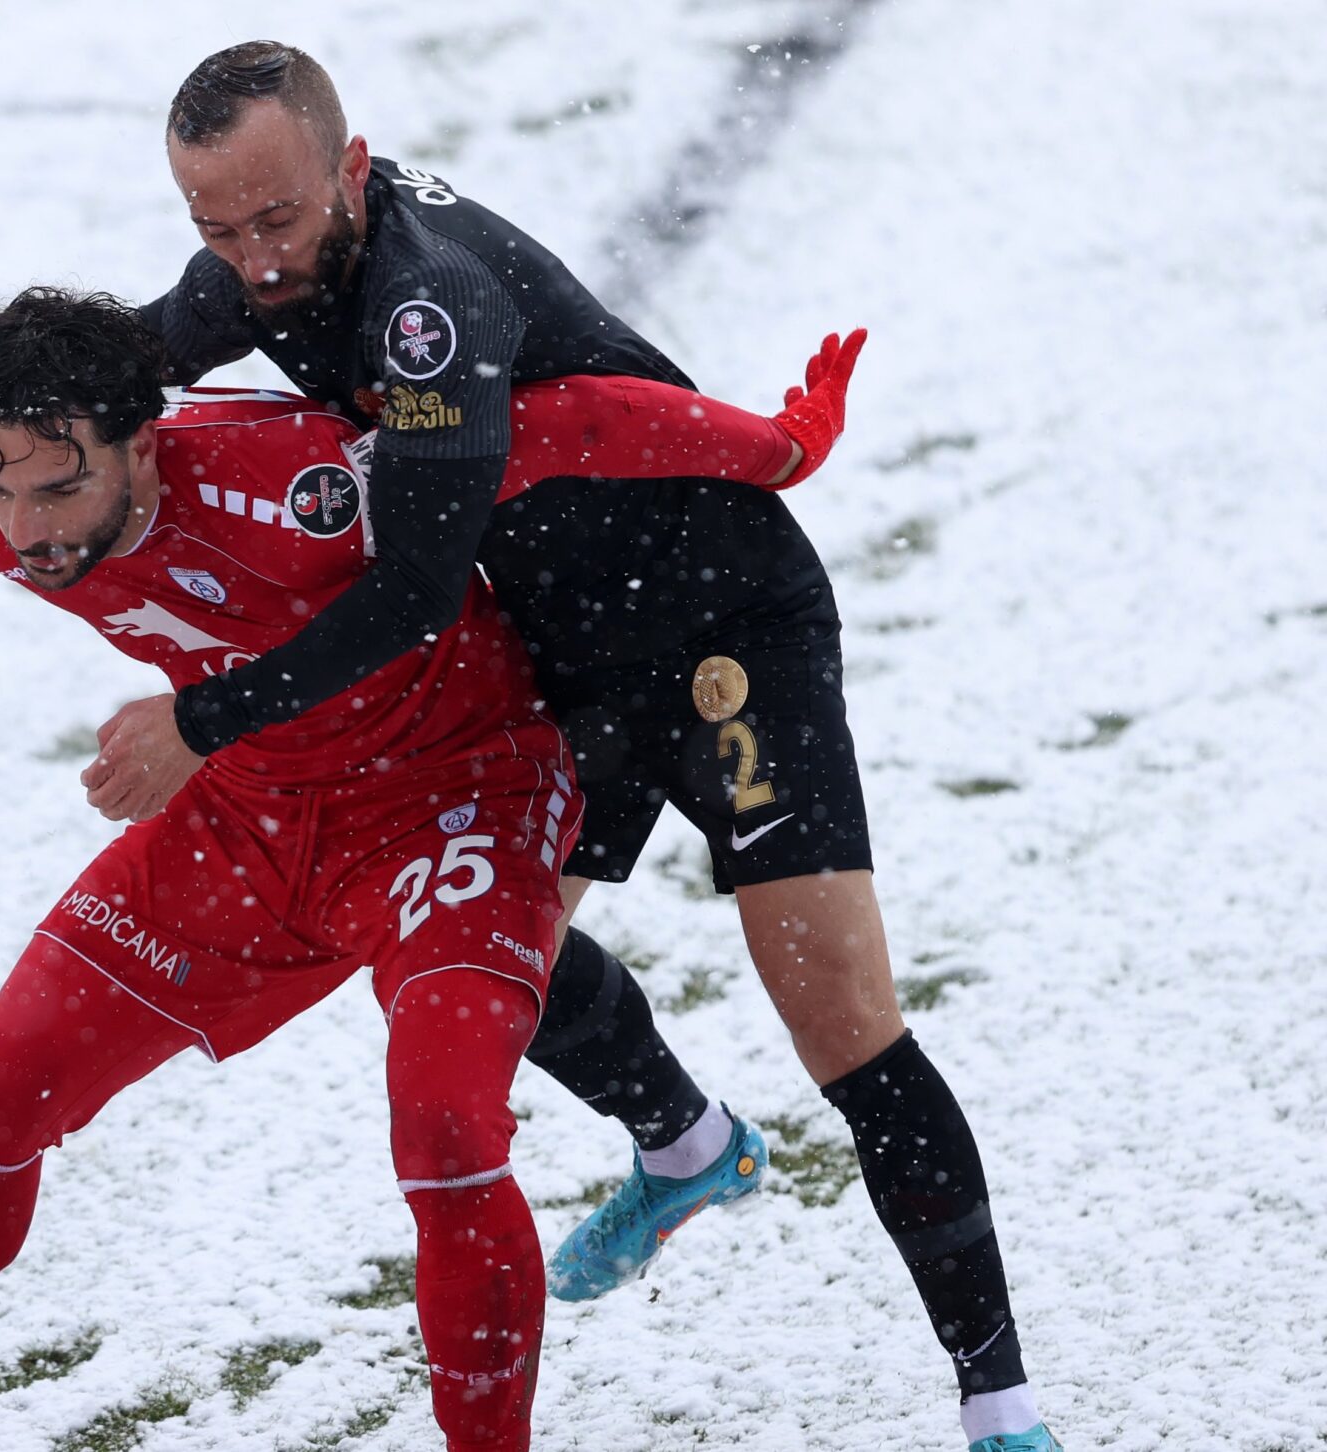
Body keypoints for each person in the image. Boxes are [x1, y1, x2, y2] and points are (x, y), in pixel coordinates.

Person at [94, 41, 1051, 1452]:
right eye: (215, 229)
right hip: (569, 658)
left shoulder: (427, 306)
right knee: (484, 967)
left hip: (722, 635)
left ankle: (1001, 1405)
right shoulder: (254, 261)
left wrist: (204, 721)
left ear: (348, 170)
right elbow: (113, 371)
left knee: (839, 1021)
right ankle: (689, 1147)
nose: (251, 258)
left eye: (275, 219)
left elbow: (413, 595)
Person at [0, 286, 856, 1452]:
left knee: (446, 1134)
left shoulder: (302, 483)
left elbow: (557, 423)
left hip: (455, 805)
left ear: (141, 444)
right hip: (247, 820)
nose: (30, 530)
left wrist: (781, 446)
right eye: (0, 489)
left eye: (60, 489)